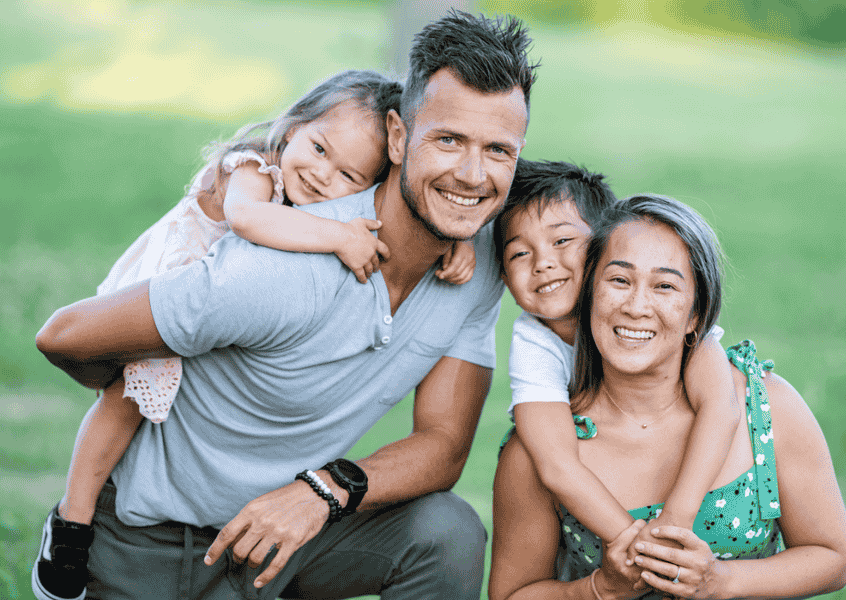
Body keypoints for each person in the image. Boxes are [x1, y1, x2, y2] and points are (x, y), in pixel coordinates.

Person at [35, 9, 536, 600]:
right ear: (399, 138)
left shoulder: (477, 265)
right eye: (448, 140)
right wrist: (130, 382)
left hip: (284, 542)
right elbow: (63, 335)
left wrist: (323, 490)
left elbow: (444, 447)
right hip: (151, 546)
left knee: (444, 532)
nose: (473, 174)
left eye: (499, 150)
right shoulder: (280, 270)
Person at [489, 194, 846, 599]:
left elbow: (833, 557)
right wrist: (599, 589)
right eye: (619, 280)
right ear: (588, 293)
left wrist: (720, 581)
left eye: (664, 286)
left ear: (696, 316)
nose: (636, 306)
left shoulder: (766, 408)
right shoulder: (536, 452)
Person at [494, 160, 741, 577]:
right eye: (520, 253)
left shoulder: (654, 315)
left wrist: (676, 518)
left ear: (603, 249)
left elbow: (722, 407)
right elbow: (557, 464)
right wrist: (637, 544)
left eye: (562, 241)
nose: (543, 263)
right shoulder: (534, 342)